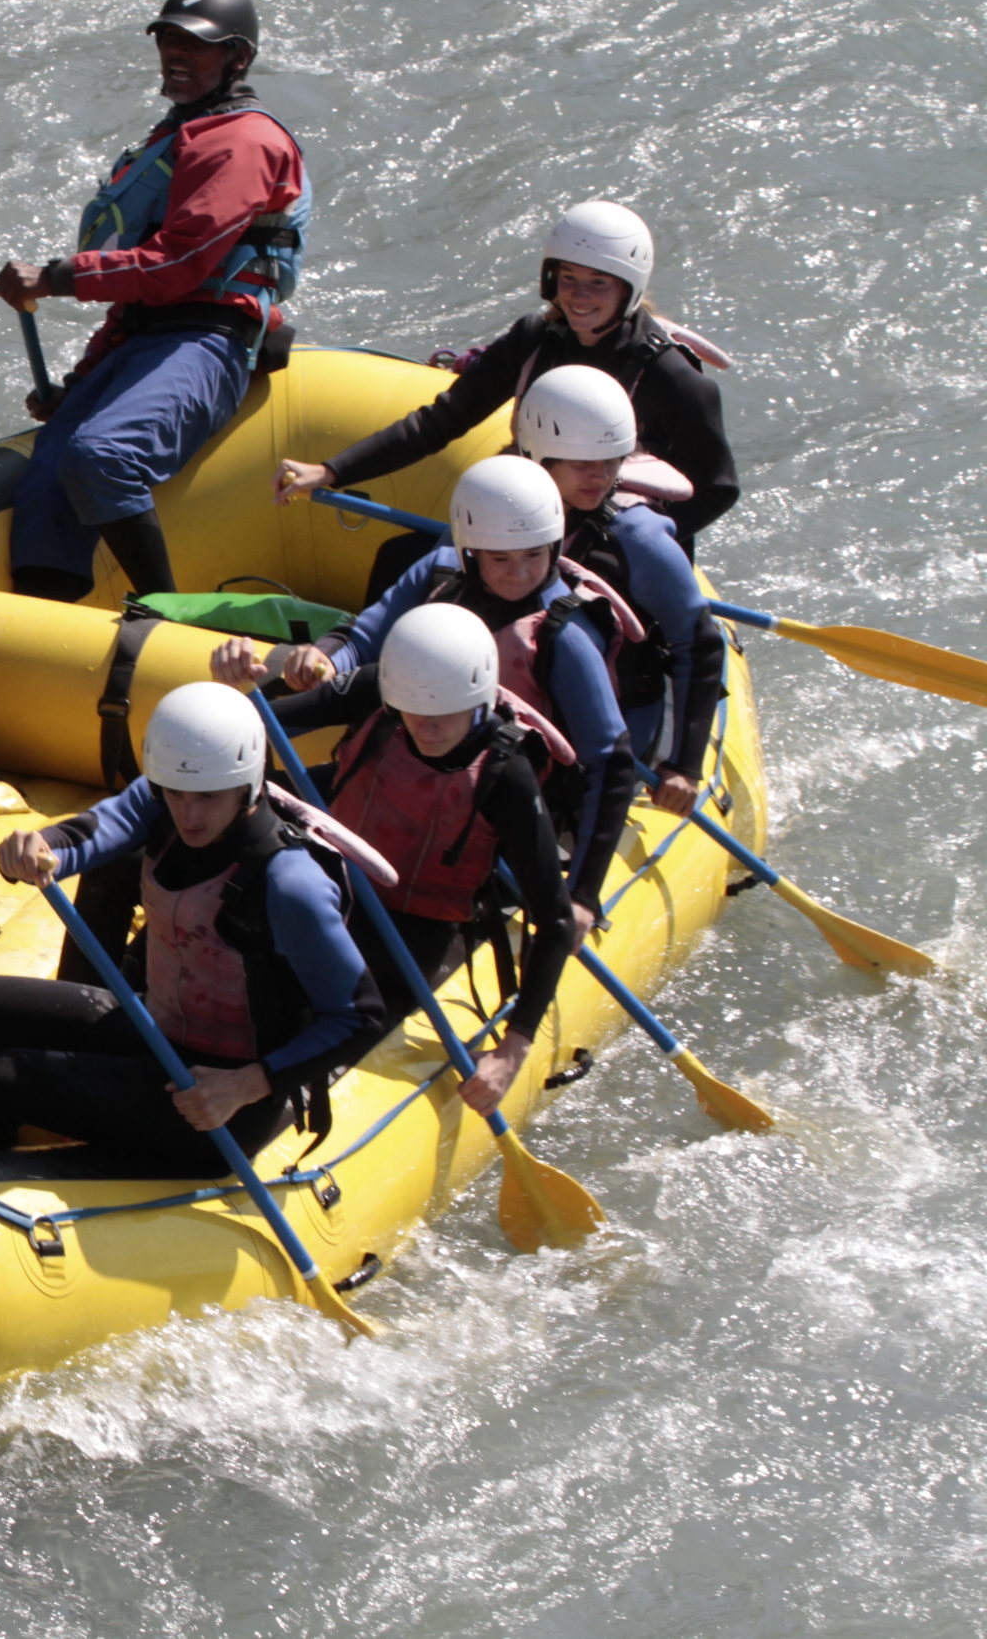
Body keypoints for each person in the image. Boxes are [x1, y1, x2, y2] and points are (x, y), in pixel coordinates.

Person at [0, 682, 389, 1164]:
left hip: (220, 1100)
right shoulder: (161, 798)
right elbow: (92, 832)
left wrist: (245, 1085)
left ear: (247, 785)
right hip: (156, 1031)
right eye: (175, 795)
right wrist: (40, 845)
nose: (188, 814)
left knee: (0, 1077)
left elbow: (360, 1018)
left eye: (206, 798)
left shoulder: (290, 884)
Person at [0, 0, 310, 604]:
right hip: (145, 341)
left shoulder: (244, 141)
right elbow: (143, 301)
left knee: (101, 456)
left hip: (209, 342)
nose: (175, 52)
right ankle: (45, 625)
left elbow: (178, 266)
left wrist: (57, 277)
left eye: (194, 43)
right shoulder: (178, 136)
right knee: (47, 477)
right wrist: (83, 383)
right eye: (168, 38)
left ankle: (164, 619)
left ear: (237, 58)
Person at [212, 605, 573, 1105]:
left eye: (442, 712)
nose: (424, 724)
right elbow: (256, 723)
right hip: (323, 889)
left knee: (310, 1012)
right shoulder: (381, 692)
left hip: (410, 929)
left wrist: (512, 1051)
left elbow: (554, 921)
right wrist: (238, 686)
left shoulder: (506, 774)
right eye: (413, 709)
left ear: (476, 699)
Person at [267, 455, 638, 938]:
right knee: (253, 805)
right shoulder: (437, 576)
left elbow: (612, 764)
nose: (518, 573)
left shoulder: (562, 640)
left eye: (533, 556)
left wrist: (583, 895)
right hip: (394, 777)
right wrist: (324, 662)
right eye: (500, 559)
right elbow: (362, 641)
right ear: (469, 552)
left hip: (486, 815)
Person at [275, 199, 737, 548]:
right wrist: (331, 471)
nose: (578, 295)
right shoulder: (534, 339)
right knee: (401, 558)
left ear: (628, 289)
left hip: (615, 538)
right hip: (528, 521)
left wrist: (632, 539)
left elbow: (717, 489)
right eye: (568, 277)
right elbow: (441, 421)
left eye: (598, 282)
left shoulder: (672, 378)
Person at [513, 366, 725, 818]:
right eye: (582, 463)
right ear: (538, 455)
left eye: (611, 461)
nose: (599, 477)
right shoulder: (497, 506)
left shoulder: (637, 537)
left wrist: (684, 766)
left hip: (619, 713)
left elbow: (702, 643)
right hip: (525, 700)